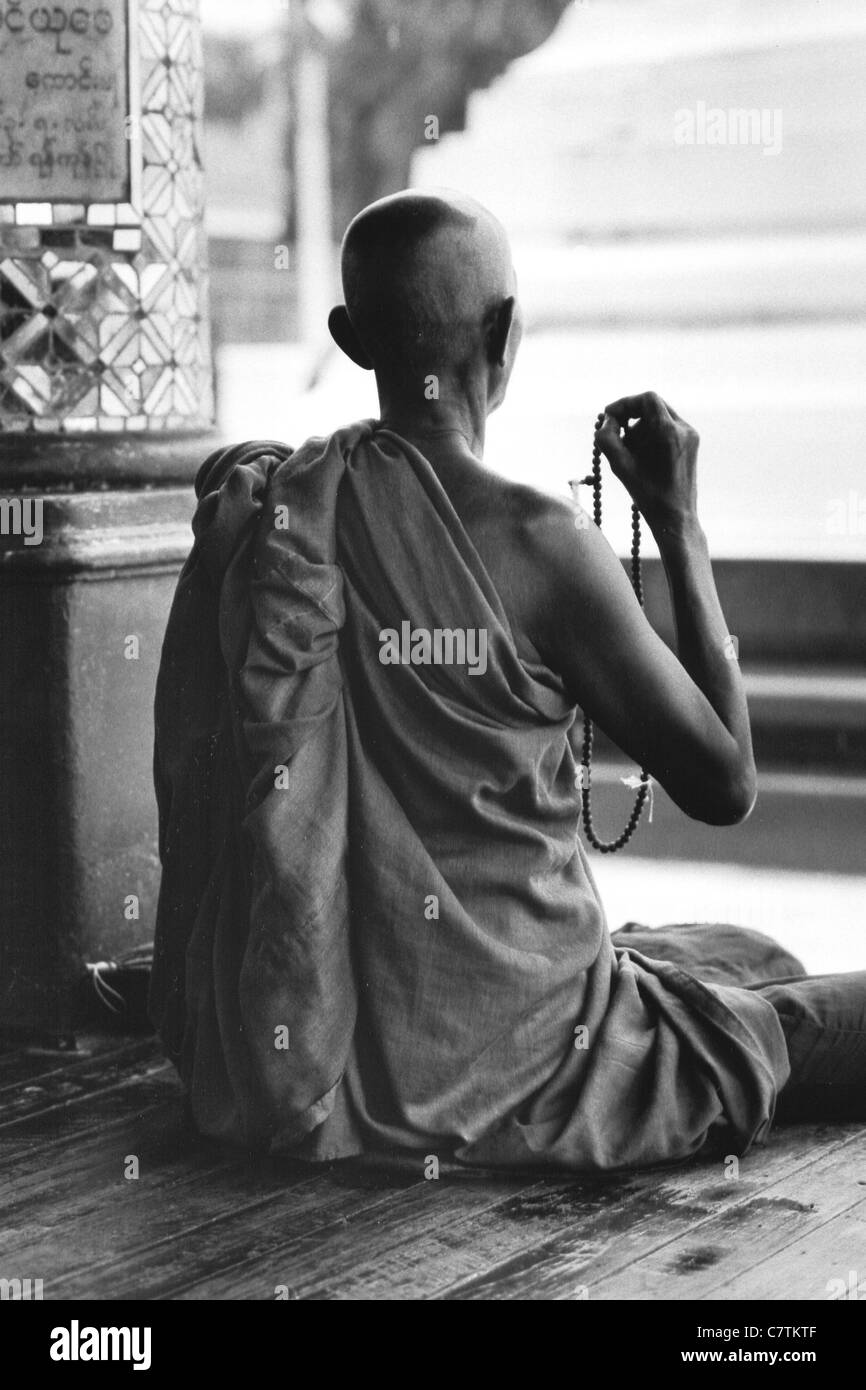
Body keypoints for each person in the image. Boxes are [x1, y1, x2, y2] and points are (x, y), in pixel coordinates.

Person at [150, 189, 865, 1168]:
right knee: (794, 1007)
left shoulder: (273, 514)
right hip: (520, 1051)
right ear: (503, 334)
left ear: (350, 340)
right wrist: (677, 527)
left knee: (743, 951)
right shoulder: (544, 545)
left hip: (299, 1046)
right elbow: (725, 783)